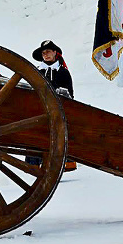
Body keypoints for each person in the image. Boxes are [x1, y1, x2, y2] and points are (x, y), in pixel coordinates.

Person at [31, 41, 76, 170]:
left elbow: (70, 94)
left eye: (48, 51)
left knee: (58, 136)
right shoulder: (37, 71)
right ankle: (34, 163)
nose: (46, 55)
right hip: (39, 109)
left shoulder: (63, 72)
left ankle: (63, 163)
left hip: (58, 110)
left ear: (55, 52)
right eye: (43, 53)